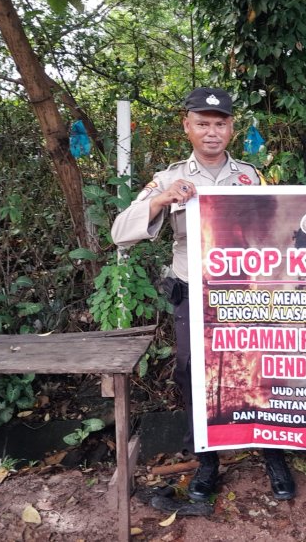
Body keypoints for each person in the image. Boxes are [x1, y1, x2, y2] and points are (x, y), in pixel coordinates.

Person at [111, 87, 296, 502]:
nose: (211, 132)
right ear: (187, 127)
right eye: (202, 124)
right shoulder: (167, 178)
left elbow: (276, 229)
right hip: (194, 293)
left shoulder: (250, 177)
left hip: (245, 293)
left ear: (230, 128)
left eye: (220, 124)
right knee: (194, 376)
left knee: (260, 370)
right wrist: (161, 199)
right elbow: (120, 234)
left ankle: (273, 453)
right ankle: (208, 460)